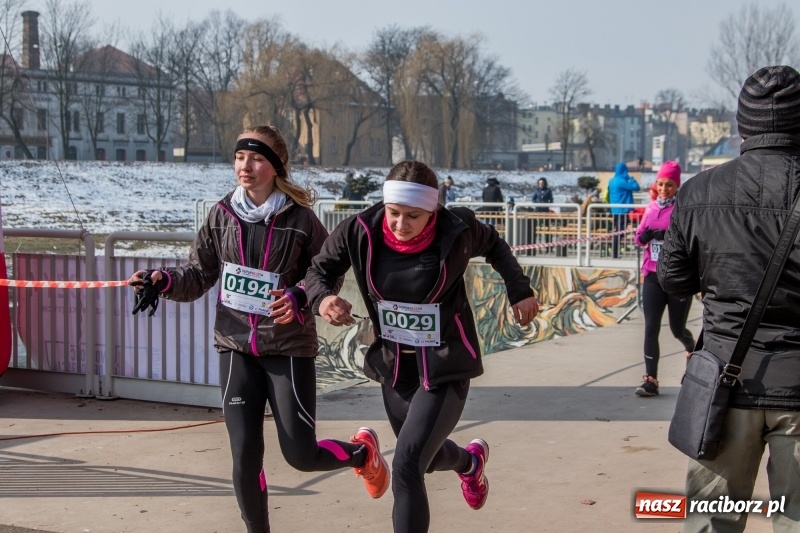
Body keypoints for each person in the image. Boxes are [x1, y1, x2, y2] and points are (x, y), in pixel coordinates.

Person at [127, 124, 389, 533]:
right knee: (244, 457)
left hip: (287, 349)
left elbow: (326, 275)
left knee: (300, 455)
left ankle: (362, 455)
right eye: (239, 157)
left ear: (276, 167)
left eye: (256, 159)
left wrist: (302, 297)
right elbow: (199, 273)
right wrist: (164, 281)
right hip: (235, 347)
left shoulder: (300, 219)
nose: (245, 167)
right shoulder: (221, 214)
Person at [303, 161, 539, 533]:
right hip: (395, 368)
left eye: (413, 216)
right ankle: (470, 463)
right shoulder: (360, 230)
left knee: (408, 464)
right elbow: (318, 271)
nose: (400, 224)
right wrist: (323, 300)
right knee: (425, 460)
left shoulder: (456, 229)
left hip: (446, 366)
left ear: (433, 211)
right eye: (394, 214)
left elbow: (494, 244)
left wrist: (519, 290)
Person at [659, 65, 800, 532]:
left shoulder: (699, 192)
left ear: (742, 124)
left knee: (711, 522)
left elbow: (674, 280)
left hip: (724, 381)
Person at [633, 161, 695, 397]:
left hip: (677, 277)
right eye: (660, 184)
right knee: (651, 328)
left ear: (677, 186)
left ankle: (690, 348)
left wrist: (667, 236)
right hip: (652, 275)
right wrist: (646, 236)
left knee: (677, 330)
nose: (664, 189)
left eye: (669, 185)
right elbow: (639, 238)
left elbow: (688, 238)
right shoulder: (650, 209)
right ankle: (651, 379)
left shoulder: (682, 209)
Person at [607, 162, 640, 258]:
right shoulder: (622, 181)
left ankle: (615, 252)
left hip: (614, 210)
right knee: (621, 231)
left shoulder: (611, 181)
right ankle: (615, 253)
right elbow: (636, 187)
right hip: (623, 210)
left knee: (618, 231)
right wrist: (632, 179)